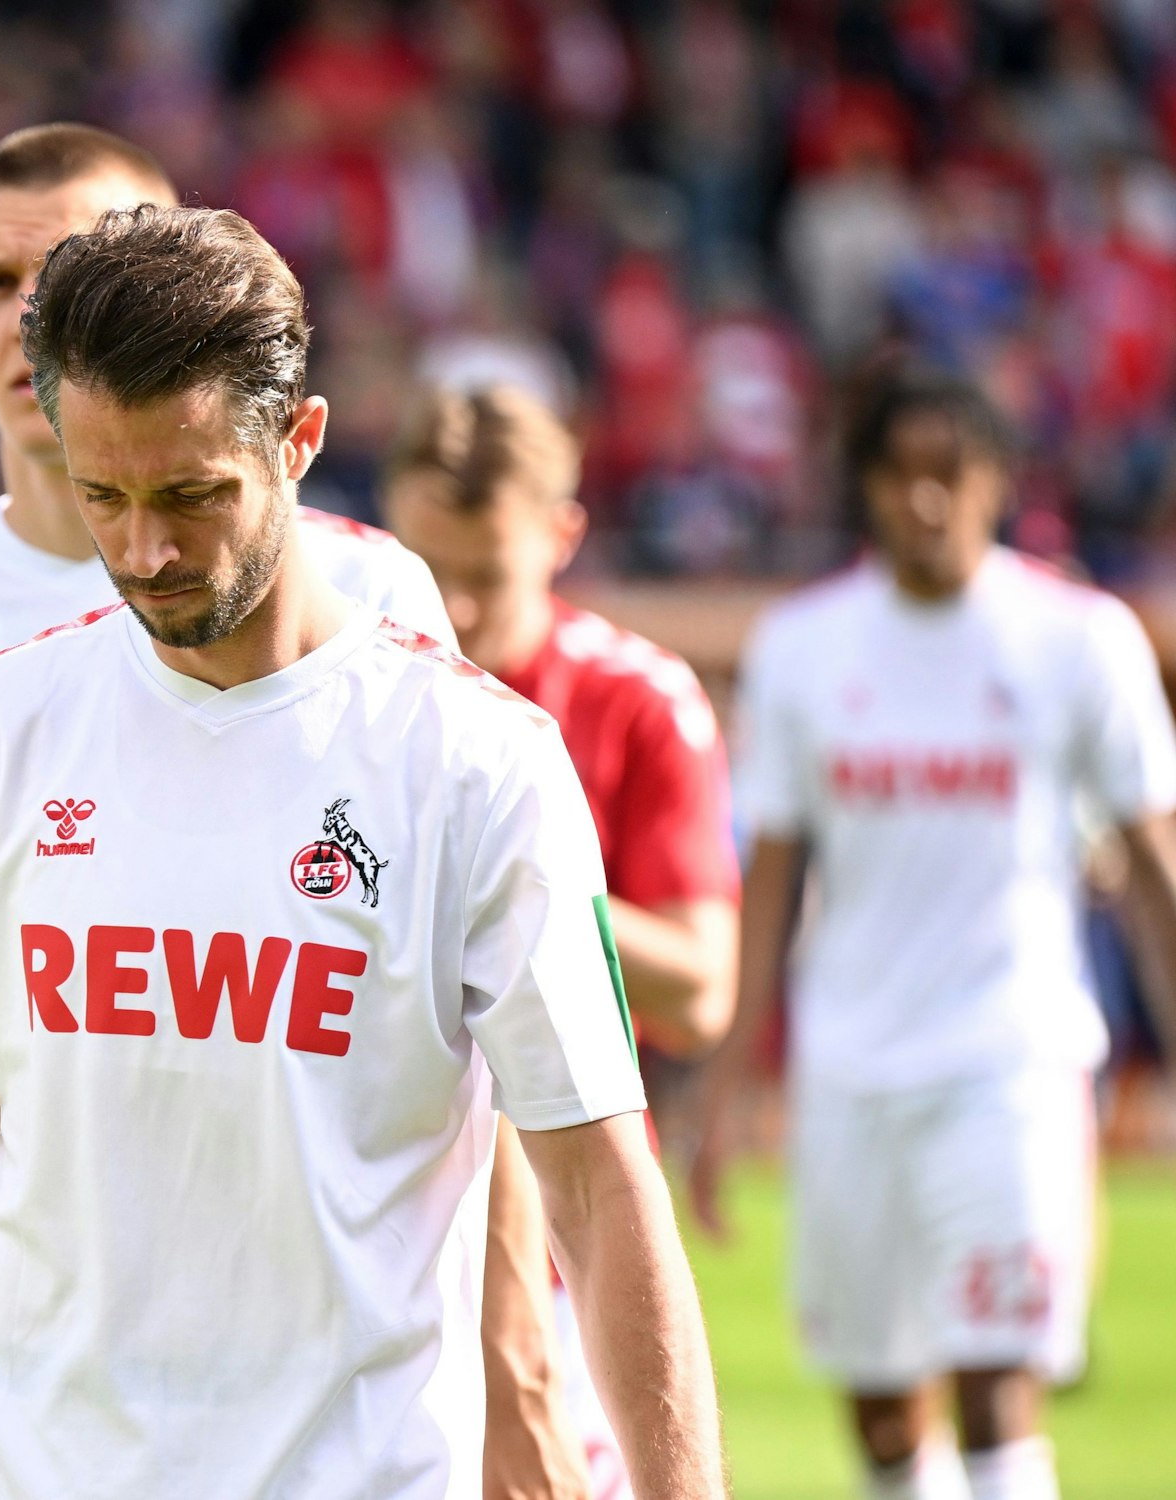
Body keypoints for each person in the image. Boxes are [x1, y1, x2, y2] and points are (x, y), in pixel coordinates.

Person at [0, 124, 598, 1500]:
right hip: (22, 1413)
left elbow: (480, 1039)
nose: (31, 318)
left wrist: (515, 1357)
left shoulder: (375, 600)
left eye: (68, 276)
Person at [690, 365, 1176, 1500]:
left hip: (1008, 1059)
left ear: (995, 482)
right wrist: (723, 1085)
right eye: (896, 474)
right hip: (850, 1066)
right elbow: (767, 879)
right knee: (877, 1405)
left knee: (994, 1382)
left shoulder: (1076, 641)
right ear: (861, 487)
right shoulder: (802, 648)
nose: (922, 500)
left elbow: (1150, 859)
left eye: (947, 474)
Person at [382, 382, 741, 1499]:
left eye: (483, 577)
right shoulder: (352, 700)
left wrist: (507, 886)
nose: (455, 610)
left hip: (560, 1247)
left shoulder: (637, 701)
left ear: (562, 534)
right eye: (424, 567)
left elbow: (699, 985)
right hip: (367, 1238)